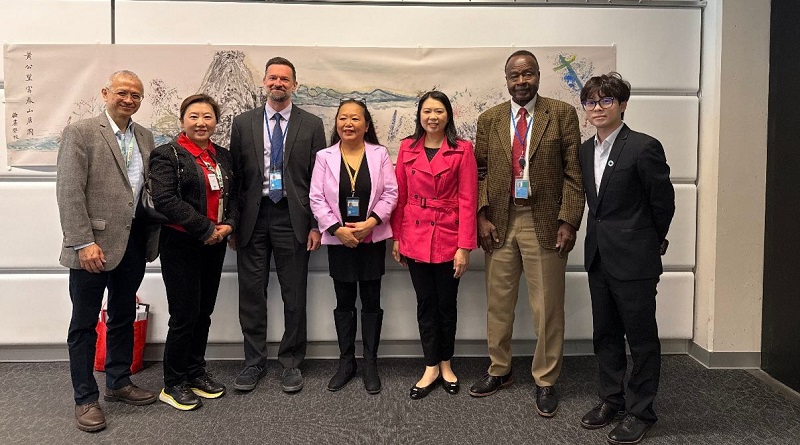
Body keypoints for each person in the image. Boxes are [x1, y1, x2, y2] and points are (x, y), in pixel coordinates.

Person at [469, 50, 585, 418]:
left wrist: (568, 221)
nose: (521, 82)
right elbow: (481, 171)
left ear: (537, 76)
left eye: (528, 74)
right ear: (506, 80)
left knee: (547, 307)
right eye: (514, 76)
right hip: (500, 222)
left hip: (545, 222)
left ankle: (546, 379)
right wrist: (481, 216)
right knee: (498, 304)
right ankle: (499, 370)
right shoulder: (489, 119)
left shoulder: (562, 114)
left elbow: (573, 174)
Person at [56, 70, 160, 432]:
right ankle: (85, 398)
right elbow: (69, 192)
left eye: (136, 94)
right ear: (106, 93)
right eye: (122, 92)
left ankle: (118, 382)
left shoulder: (144, 136)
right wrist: (83, 243)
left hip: (132, 244)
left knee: (122, 316)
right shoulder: (81, 132)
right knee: (84, 325)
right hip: (93, 246)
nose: (129, 99)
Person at [577, 72, 675, 445]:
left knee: (642, 337)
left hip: (635, 260)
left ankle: (641, 410)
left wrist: (650, 242)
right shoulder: (587, 150)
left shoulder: (644, 146)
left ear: (621, 105)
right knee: (605, 334)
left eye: (605, 101)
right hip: (599, 257)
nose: (597, 108)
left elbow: (662, 204)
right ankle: (611, 400)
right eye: (591, 102)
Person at [229, 57, 326, 393]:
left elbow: (319, 179)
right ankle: (253, 363)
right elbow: (236, 178)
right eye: (272, 78)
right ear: (264, 83)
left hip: (292, 218)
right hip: (253, 221)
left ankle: (291, 363)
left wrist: (316, 224)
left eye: (285, 79)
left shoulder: (312, 124)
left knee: (294, 294)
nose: (278, 83)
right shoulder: (243, 123)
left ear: (294, 85)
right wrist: (233, 224)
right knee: (251, 294)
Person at [149, 94, 239, 411]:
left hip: (214, 244)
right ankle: (173, 383)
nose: (201, 123)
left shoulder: (223, 157)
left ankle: (195, 371)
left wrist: (228, 225)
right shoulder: (167, 155)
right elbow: (165, 200)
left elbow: (234, 196)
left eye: (207, 117)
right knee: (184, 315)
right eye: (194, 116)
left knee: (203, 313)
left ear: (216, 122)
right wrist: (205, 228)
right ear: (183, 120)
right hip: (181, 244)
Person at [390, 91, 478, 400]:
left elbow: (468, 200)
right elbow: (399, 197)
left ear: (448, 115)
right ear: (420, 115)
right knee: (425, 305)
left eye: (439, 111)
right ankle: (429, 365)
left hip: (449, 237)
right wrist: (397, 238)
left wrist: (465, 246)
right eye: (427, 111)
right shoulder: (406, 148)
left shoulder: (462, 150)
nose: (433, 117)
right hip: (414, 237)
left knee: (446, 306)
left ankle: (446, 363)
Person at [309, 99, 398, 394]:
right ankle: (346, 362)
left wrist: (371, 223)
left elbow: (390, 193)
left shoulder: (379, 154)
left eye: (355, 119)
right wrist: (338, 229)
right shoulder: (324, 156)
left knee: (371, 301)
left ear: (366, 125)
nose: (348, 123)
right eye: (343, 118)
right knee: (344, 301)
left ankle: (370, 362)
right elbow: (316, 198)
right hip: (340, 240)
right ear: (336, 123)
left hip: (370, 238)